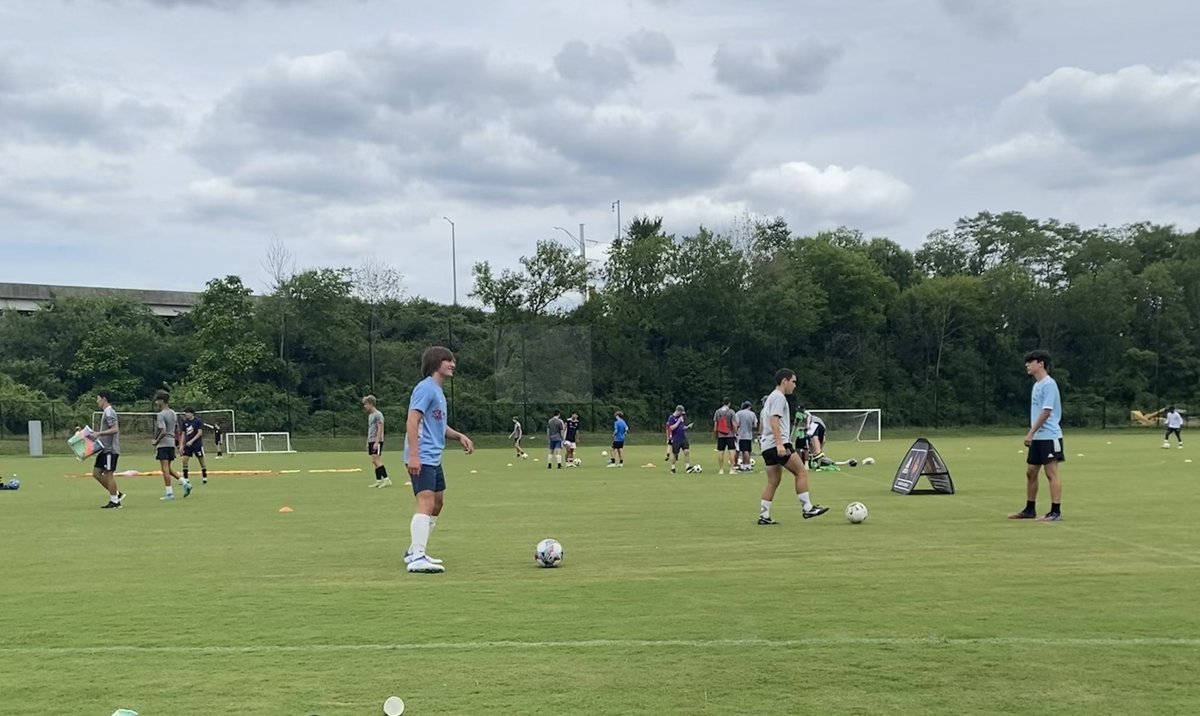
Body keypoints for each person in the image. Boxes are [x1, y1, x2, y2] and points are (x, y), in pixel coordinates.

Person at [404, 346, 475, 574]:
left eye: (453, 360)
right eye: (448, 360)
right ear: (436, 363)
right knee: (425, 503)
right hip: (422, 455)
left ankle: (414, 550)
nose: (453, 364)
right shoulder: (425, 388)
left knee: (437, 503)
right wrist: (414, 455)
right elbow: (412, 421)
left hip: (433, 456)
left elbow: (438, 426)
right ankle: (417, 557)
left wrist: (459, 436)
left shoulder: (438, 392)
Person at [757, 369, 828, 524]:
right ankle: (807, 508)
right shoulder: (779, 397)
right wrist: (780, 444)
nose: (794, 385)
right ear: (784, 381)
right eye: (793, 381)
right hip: (779, 444)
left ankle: (764, 516)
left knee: (773, 481)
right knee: (801, 472)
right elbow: (774, 420)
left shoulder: (770, 398)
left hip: (766, 446)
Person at [1009, 349, 1064, 522]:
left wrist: (1031, 432)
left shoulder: (1049, 384)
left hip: (1049, 436)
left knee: (1051, 472)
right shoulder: (1037, 385)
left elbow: (1047, 411)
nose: (1027, 365)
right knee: (1031, 472)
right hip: (1038, 437)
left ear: (1040, 363)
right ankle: (1029, 509)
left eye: (1030, 361)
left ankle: (1055, 511)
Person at [153, 391, 190, 500]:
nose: (156, 402)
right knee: (168, 468)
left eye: (157, 400)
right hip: (171, 443)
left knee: (164, 469)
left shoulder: (161, 414)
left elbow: (163, 430)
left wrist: (156, 441)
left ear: (162, 401)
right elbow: (176, 429)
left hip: (163, 443)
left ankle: (169, 493)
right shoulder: (173, 413)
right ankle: (185, 482)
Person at [92, 391, 125, 509]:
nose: (97, 401)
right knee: (96, 473)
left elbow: (115, 429)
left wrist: (99, 433)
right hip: (103, 449)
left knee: (108, 474)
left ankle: (115, 501)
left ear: (104, 399)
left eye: (98, 399)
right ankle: (117, 493)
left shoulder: (109, 412)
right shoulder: (106, 412)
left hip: (110, 450)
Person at [364, 395, 390, 488]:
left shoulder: (378, 414)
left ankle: (386, 479)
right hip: (371, 440)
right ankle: (379, 480)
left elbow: (380, 429)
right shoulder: (370, 415)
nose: (365, 406)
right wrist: (368, 441)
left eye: (366, 404)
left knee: (376, 460)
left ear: (371, 404)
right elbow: (370, 429)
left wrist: (376, 442)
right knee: (374, 461)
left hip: (376, 440)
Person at [179, 407, 209, 485]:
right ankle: (186, 479)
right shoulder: (185, 422)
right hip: (187, 445)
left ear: (191, 413)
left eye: (187, 412)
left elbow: (200, 433)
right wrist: (181, 445)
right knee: (184, 460)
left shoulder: (197, 421)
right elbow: (183, 434)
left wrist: (192, 441)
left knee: (201, 461)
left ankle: (204, 477)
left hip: (197, 444)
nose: (186, 414)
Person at [713, 398, 738, 475]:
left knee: (720, 451)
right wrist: (735, 432)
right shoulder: (731, 412)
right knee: (731, 451)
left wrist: (715, 434)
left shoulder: (717, 412)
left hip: (721, 435)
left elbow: (715, 425)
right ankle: (732, 469)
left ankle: (721, 469)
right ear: (729, 403)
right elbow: (734, 423)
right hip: (729, 434)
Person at [667, 405, 693, 474]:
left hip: (683, 437)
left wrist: (687, 427)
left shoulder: (681, 418)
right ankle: (673, 468)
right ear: (678, 411)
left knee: (686, 451)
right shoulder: (671, 418)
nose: (682, 414)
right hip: (676, 438)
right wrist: (678, 421)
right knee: (675, 454)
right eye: (681, 412)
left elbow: (682, 427)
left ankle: (688, 467)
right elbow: (671, 428)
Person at [734, 400, 758, 472]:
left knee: (744, 451)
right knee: (748, 450)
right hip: (749, 435)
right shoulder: (753, 414)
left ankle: (748, 466)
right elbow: (755, 425)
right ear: (749, 407)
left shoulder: (739, 413)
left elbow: (736, 424)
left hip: (741, 435)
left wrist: (736, 432)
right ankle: (745, 465)